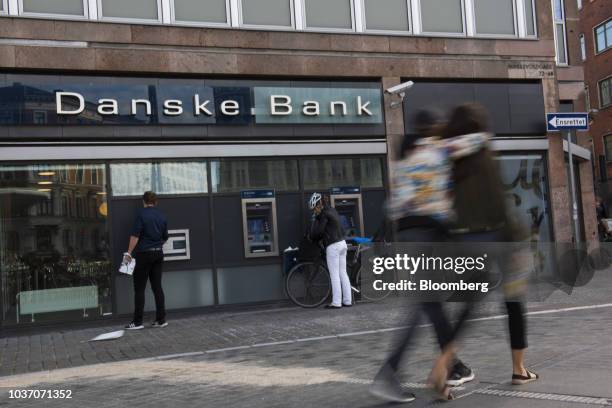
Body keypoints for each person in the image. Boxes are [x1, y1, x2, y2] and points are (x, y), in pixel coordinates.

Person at [370, 109, 488, 403]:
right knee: (428, 303)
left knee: (431, 304)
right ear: (430, 130)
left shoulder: (403, 162)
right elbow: (477, 140)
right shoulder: (435, 148)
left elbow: (392, 208)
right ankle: (389, 372)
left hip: (408, 236)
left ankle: (452, 366)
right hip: (431, 235)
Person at [444, 103, 539, 385]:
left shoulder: (449, 156)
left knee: (468, 304)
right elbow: (498, 202)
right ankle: (518, 369)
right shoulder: (482, 151)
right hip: (500, 240)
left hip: (466, 241)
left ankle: (447, 364)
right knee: (513, 304)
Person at [124, 191, 169, 330]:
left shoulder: (141, 214)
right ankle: (161, 320)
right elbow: (165, 237)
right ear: (156, 202)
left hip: (144, 255)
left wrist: (129, 253)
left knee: (139, 289)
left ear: (144, 202)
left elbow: (135, 235)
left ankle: (137, 322)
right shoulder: (161, 216)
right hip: (158, 254)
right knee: (157, 287)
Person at [309, 192, 351, 309]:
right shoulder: (332, 210)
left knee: (334, 275)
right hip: (342, 243)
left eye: (314, 208)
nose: (314, 210)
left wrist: (315, 219)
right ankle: (347, 300)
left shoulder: (323, 214)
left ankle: (336, 302)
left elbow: (319, 231)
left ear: (318, 204)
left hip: (333, 246)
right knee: (343, 272)